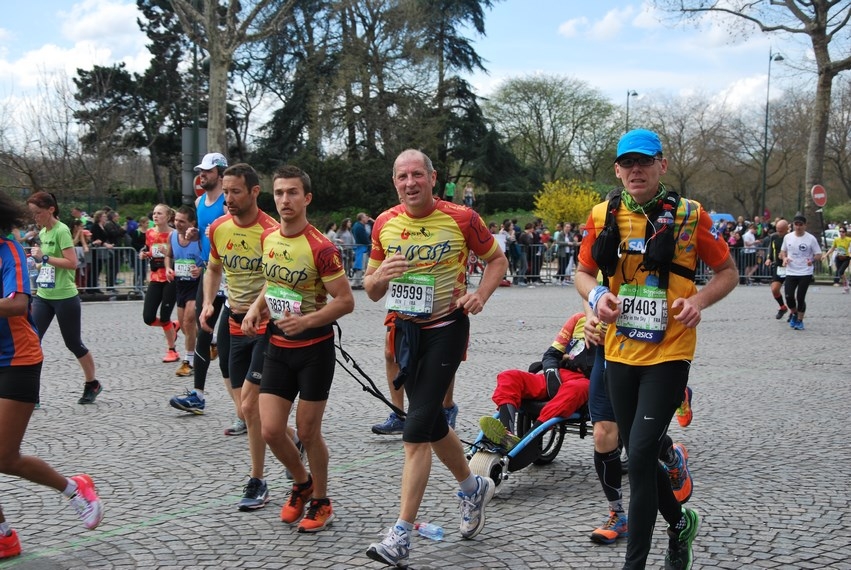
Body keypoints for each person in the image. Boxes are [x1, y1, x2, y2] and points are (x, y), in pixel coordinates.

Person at [574, 129, 738, 569]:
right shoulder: (601, 215)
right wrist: (595, 300)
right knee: (641, 455)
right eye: (627, 163)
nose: (635, 170)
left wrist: (698, 301)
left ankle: (635, 565)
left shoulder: (689, 215)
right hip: (618, 352)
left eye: (644, 162)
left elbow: (728, 272)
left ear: (662, 165)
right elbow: (583, 273)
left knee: (642, 452)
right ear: (617, 170)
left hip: (670, 352)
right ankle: (680, 522)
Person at [363, 149, 508, 568]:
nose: (410, 183)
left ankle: (401, 535)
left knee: (416, 428)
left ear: (432, 177)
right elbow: (371, 290)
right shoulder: (384, 224)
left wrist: (479, 294)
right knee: (432, 422)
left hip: (447, 328)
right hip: (406, 333)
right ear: (395, 183)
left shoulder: (461, 218)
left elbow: (496, 259)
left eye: (417, 176)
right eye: (402, 177)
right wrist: (379, 276)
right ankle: (472, 488)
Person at [242, 165, 354, 532]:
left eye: (292, 193)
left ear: (306, 198)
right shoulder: (269, 238)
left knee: (307, 432)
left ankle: (321, 500)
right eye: (279, 193)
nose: (285, 200)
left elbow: (345, 301)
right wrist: (258, 308)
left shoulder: (321, 247)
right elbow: (272, 283)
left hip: (314, 349)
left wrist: (306, 321)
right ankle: (301, 482)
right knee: (270, 429)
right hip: (276, 343)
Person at [0, 192, 104, 560]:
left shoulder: (9, 249)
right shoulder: (37, 237)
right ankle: (4, 535)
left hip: (17, 359)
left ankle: (74, 488)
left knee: (4, 457)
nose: (35, 217)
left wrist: (48, 259)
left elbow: (16, 303)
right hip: (36, 309)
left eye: (38, 211)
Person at [199, 163, 279, 510]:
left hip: (265, 324)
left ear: (254, 192)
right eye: (225, 192)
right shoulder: (218, 228)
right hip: (233, 321)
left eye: (235, 192)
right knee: (247, 411)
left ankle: (257, 481)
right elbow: (214, 268)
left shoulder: (272, 231)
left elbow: (276, 279)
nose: (228, 199)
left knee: (249, 404)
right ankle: (290, 442)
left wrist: (256, 307)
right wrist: (207, 304)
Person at [169, 152, 244, 436]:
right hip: (209, 274)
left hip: (232, 276)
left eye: (208, 171)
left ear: (221, 173)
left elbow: (231, 233)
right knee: (203, 330)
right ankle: (198, 395)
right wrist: (193, 236)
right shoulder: (200, 202)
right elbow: (204, 233)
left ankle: (244, 408)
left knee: (228, 345)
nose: (202, 175)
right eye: (201, 171)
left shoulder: (229, 203)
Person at [26, 192, 104, 405]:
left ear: (51, 209)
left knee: (73, 343)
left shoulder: (62, 231)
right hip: (43, 295)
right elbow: (49, 262)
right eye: (32, 213)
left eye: (38, 213)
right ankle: (32, 394)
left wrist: (44, 257)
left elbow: (71, 263)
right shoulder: (43, 231)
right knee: (32, 342)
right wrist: (36, 264)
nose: (35, 217)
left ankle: (92, 383)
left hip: (65, 296)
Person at [477, 312, 592, 449]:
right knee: (509, 376)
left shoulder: (615, 325)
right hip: (561, 374)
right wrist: (550, 372)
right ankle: (506, 435)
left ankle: (525, 442)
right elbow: (551, 354)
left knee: (573, 389)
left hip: (588, 381)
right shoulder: (579, 319)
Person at [370, 312, 459, 435]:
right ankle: (398, 414)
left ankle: (447, 406)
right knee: (391, 352)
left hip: (438, 303)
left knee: (442, 355)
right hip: (402, 303)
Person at [166, 206, 205, 377]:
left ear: (192, 223)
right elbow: (169, 254)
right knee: (184, 326)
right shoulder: (172, 236)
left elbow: (211, 258)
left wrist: (200, 269)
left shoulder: (199, 239)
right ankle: (211, 338)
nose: (178, 224)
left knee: (189, 321)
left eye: (182, 221)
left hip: (197, 285)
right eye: (176, 221)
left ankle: (188, 361)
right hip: (180, 283)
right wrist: (168, 268)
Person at [140, 204, 179, 364]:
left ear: (168, 217)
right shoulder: (149, 233)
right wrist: (144, 254)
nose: (155, 216)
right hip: (155, 277)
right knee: (148, 317)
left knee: (164, 317)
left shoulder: (175, 234)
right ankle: (172, 327)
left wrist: (169, 255)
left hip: (171, 278)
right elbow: (149, 250)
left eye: (160, 213)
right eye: (154, 213)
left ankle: (172, 350)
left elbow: (181, 254)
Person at [780, 215, 822, 331]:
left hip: (805, 272)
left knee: (800, 297)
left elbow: (818, 255)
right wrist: (784, 259)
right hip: (791, 271)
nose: (798, 227)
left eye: (800, 225)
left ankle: (799, 320)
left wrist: (812, 260)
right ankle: (793, 313)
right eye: (796, 224)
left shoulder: (811, 239)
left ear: (805, 226)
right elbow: (782, 252)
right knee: (789, 297)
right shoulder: (788, 237)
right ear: (793, 225)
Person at [764, 219, 790, 319]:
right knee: (774, 289)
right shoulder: (774, 236)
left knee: (789, 293)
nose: (779, 232)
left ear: (787, 229)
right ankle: (783, 307)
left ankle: (793, 311)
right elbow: (771, 248)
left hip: (790, 267)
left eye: (781, 230)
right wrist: (769, 258)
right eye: (777, 229)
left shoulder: (791, 237)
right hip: (779, 266)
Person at [823, 225, 850, 292]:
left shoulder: (849, 240)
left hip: (846, 258)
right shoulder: (836, 240)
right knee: (841, 272)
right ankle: (846, 285)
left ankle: (846, 284)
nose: (841, 233)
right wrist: (825, 255)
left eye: (843, 232)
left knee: (841, 271)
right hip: (838, 258)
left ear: (845, 232)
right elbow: (832, 249)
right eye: (840, 231)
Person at [351, 212, 371, 287]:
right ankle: (357, 282)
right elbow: (364, 238)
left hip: (358, 247)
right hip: (362, 248)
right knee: (360, 265)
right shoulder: (360, 227)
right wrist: (369, 244)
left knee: (358, 265)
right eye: (365, 217)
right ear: (362, 218)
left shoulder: (356, 225)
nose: (367, 219)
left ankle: (356, 281)